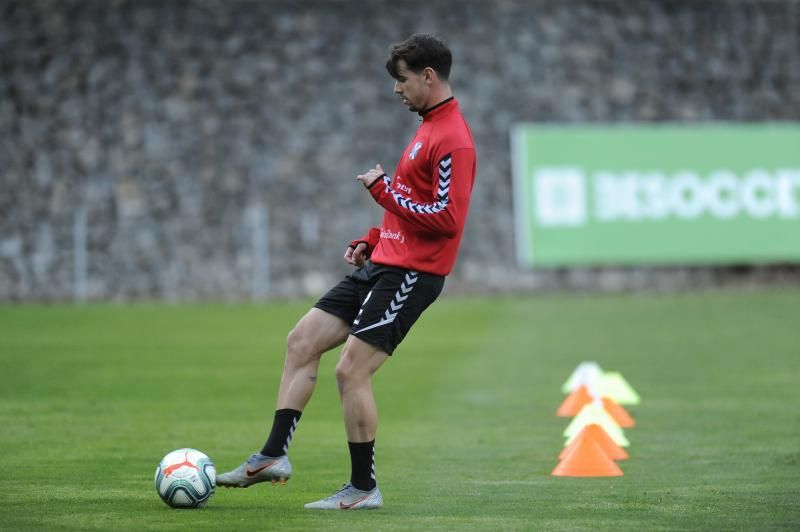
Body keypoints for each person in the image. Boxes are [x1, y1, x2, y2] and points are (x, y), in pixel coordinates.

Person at [216, 33, 477, 510]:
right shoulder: (426, 127)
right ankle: (272, 456)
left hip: (411, 275)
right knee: (301, 340)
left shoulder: (452, 138)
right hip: (383, 264)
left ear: (428, 76)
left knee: (351, 371)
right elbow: (412, 208)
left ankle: (363, 489)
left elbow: (446, 218)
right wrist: (375, 239)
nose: (397, 90)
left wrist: (381, 192)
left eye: (401, 80)